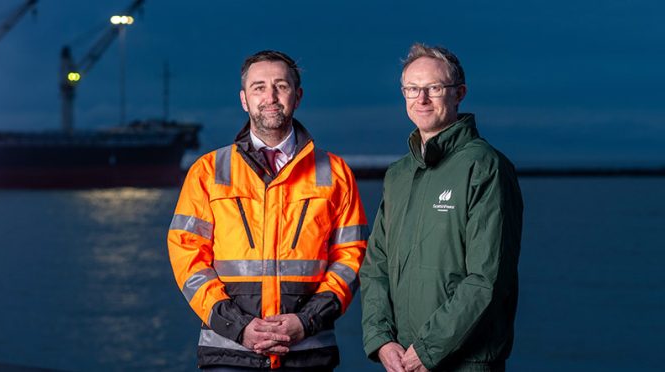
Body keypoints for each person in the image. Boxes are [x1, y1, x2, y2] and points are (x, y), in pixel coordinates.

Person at [168, 50, 368, 371]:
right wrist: (238, 326)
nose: (270, 97)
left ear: (297, 96)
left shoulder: (335, 173)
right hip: (229, 354)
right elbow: (187, 258)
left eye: (281, 86)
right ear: (244, 100)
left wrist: (307, 320)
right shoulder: (208, 171)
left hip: (308, 352)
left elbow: (351, 259)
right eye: (259, 87)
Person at [360, 43, 524, 372]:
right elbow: (375, 266)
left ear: (458, 93)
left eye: (434, 88)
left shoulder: (484, 166)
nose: (421, 99)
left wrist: (428, 348)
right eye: (412, 89)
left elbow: (487, 279)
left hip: (466, 362)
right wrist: (381, 339)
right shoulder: (398, 175)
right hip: (402, 360)